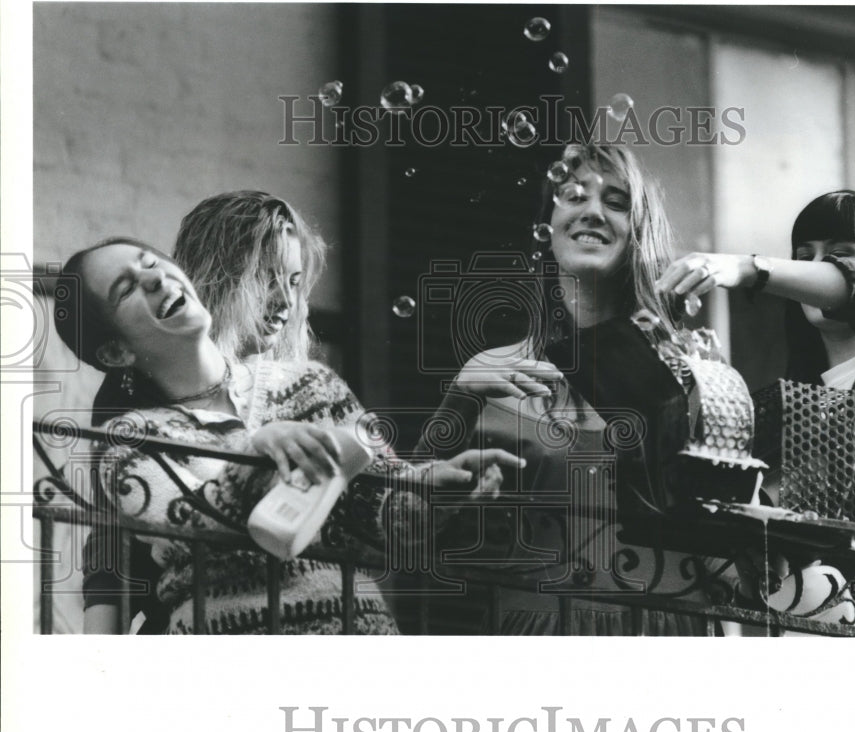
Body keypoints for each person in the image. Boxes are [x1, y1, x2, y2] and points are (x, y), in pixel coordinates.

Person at [58, 238, 520, 634]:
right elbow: (191, 532)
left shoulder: (313, 383)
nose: (154, 277)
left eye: (150, 262)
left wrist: (434, 491)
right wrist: (258, 450)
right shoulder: (129, 441)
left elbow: (384, 518)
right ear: (115, 352)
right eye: (126, 288)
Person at [421, 144, 742, 635]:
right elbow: (405, 524)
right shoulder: (489, 372)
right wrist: (459, 402)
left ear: (640, 235)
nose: (593, 211)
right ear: (547, 226)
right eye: (573, 196)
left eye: (616, 202)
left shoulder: (693, 374)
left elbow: (727, 543)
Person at [656, 190, 855, 633]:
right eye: (803, 257)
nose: (815, 268)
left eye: (839, 256)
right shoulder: (780, 406)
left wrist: (746, 267)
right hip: (818, 637)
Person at [83, 191, 327, 633]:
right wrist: (96, 658)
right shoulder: (137, 387)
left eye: (294, 282)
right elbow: (111, 546)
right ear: (220, 273)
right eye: (267, 279)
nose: (286, 303)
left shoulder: (294, 388)